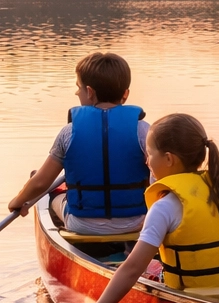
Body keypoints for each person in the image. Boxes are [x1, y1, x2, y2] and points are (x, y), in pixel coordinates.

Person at [69, 114, 219, 303]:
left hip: (198, 301)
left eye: (149, 154)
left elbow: (131, 269)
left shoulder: (166, 206)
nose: (146, 161)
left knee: (146, 264)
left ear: (168, 159)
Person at [8, 52, 150, 235]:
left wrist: (18, 202)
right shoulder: (144, 131)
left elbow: (41, 183)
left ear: (90, 92)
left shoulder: (68, 132)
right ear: (126, 94)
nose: (76, 92)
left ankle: (58, 197)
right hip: (137, 222)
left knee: (54, 197)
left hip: (82, 224)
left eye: (78, 87)